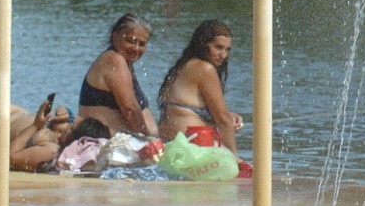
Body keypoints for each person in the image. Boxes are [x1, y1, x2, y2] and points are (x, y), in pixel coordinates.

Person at [156, 20, 252, 176]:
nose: (223, 55)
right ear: (203, 44)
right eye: (218, 47)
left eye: (227, 50)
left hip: (171, 148)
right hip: (193, 149)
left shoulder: (184, 66)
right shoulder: (205, 68)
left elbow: (215, 113)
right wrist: (236, 158)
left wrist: (229, 115)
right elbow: (222, 119)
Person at [79, 13, 159, 136]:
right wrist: (147, 142)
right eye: (130, 41)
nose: (136, 49)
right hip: (105, 144)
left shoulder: (125, 61)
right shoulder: (114, 60)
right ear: (115, 37)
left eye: (142, 44)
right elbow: (129, 108)